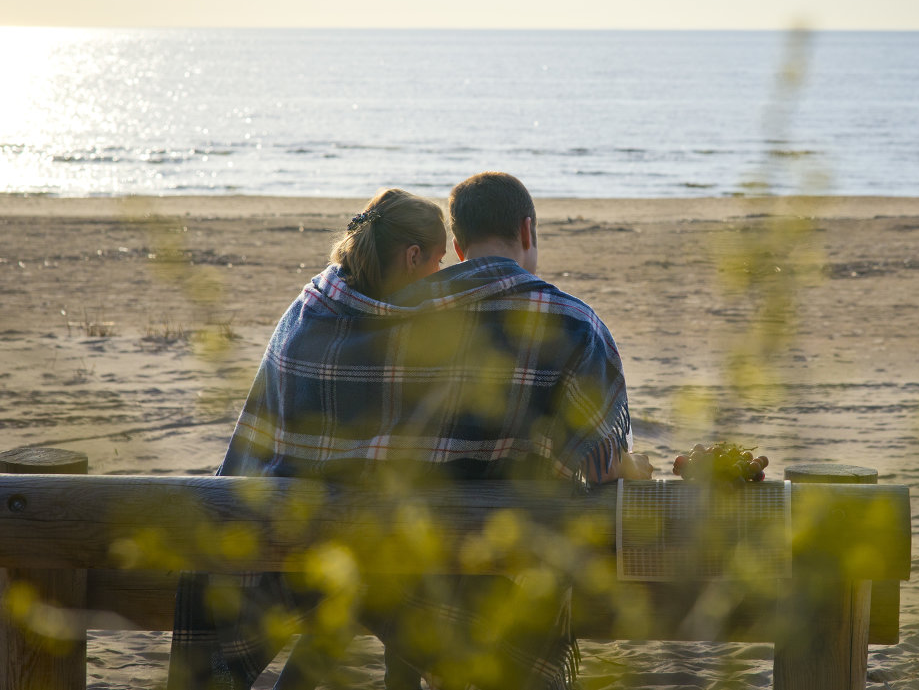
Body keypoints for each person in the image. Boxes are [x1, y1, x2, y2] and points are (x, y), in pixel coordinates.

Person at [168, 175, 651, 690]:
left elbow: (258, 449)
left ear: (459, 246)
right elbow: (599, 467)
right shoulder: (570, 321)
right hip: (461, 579)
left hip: (309, 558)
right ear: (526, 230)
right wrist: (632, 469)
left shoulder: (313, 307)